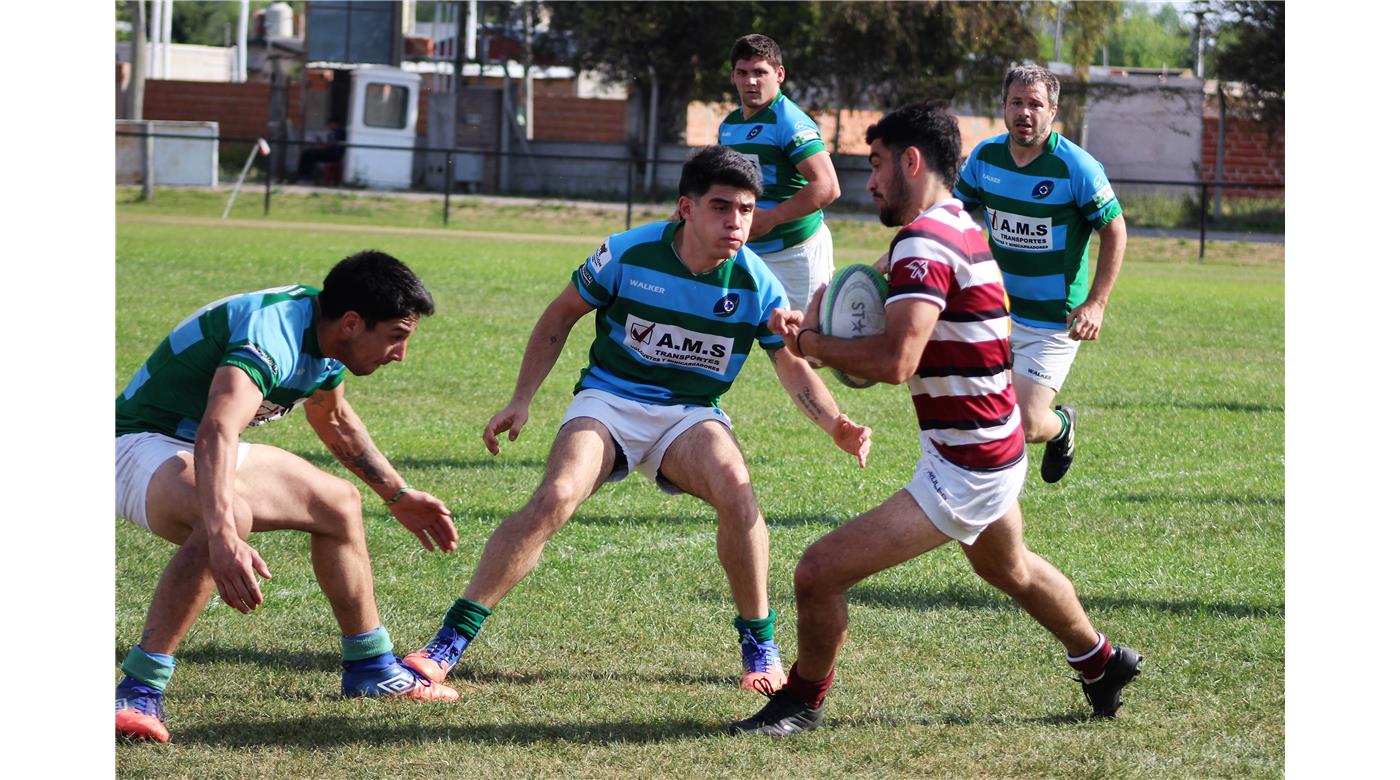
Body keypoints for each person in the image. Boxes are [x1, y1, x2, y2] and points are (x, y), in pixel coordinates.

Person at [731, 103, 1140, 737]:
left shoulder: (927, 240)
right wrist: (815, 319)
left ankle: (801, 701)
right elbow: (881, 301)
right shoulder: (954, 225)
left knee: (817, 572)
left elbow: (895, 360)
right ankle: (1101, 660)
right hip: (990, 439)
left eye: (876, 165)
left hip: (969, 461)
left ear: (911, 162)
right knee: (1011, 568)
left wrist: (813, 346)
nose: (869, 182)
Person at [402, 146, 871, 695]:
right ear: (685, 208)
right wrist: (521, 398)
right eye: (721, 207)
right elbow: (560, 315)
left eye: (745, 209)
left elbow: (791, 369)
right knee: (555, 496)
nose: (735, 222)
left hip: (690, 415)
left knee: (738, 493)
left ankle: (759, 646)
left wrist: (835, 423)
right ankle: (446, 645)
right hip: (609, 400)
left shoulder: (756, 282)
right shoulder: (627, 253)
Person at [114, 251, 460, 743]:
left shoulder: (327, 337)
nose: (400, 354)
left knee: (337, 502)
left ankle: (369, 667)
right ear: (352, 322)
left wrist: (397, 494)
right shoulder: (272, 333)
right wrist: (221, 535)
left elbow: (333, 417)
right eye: (396, 337)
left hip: (202, 444)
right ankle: (138, 690)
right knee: (229, 513)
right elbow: (216, 428)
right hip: (137, 442)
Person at [953, 65, 1128, 484]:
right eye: (1017, 103)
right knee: (976, 410)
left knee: (1029, 424)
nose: (1025, 112)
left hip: (1054, 319)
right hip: (996, 310)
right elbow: (954, 214)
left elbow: (1115, 230)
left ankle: (1062, 427)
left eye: (1035, 104)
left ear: (1053, 110)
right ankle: (981, 492)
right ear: (1004, 107)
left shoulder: (1077, 167)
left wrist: (1097, 304)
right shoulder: (985, 157)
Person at [717, 34, 841, 312]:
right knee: (725, 329)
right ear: (732, 76)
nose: (751, 81)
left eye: (760, 72)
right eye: (743, 73)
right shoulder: (730, 125)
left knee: (804, 344)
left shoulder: (789, 120)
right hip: (747, 251)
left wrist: (771, 219)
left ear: (779, 74)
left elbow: (828, 186)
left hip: (795, 252)